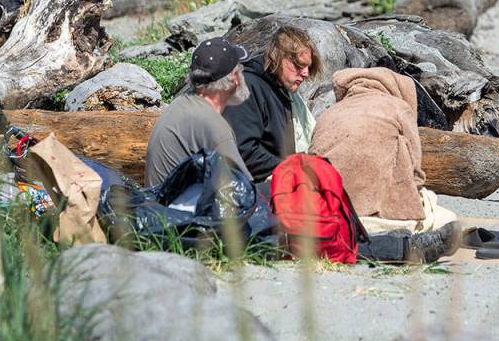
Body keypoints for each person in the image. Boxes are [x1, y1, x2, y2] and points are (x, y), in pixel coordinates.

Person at [310, 67, 458, 235]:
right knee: (446, 217)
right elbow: (415, 167)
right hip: (377, 209)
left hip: (325, 207)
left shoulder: (328, 113)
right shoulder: (399, 107)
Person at [145, 36, 252, 187]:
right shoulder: (214, 126)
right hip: (179, 209)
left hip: (161, 205)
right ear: (234, 78)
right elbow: (244, 190)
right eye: (240, 70)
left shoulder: (181, 102)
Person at [224, 25, 321, 182]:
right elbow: (243, 152)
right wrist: (292, 170)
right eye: (298, 65)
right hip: (253, 190)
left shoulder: (285, 90)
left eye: (307, 67)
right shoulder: (247, 89)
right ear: (278, 57)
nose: (305, 73)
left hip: (282, 181)